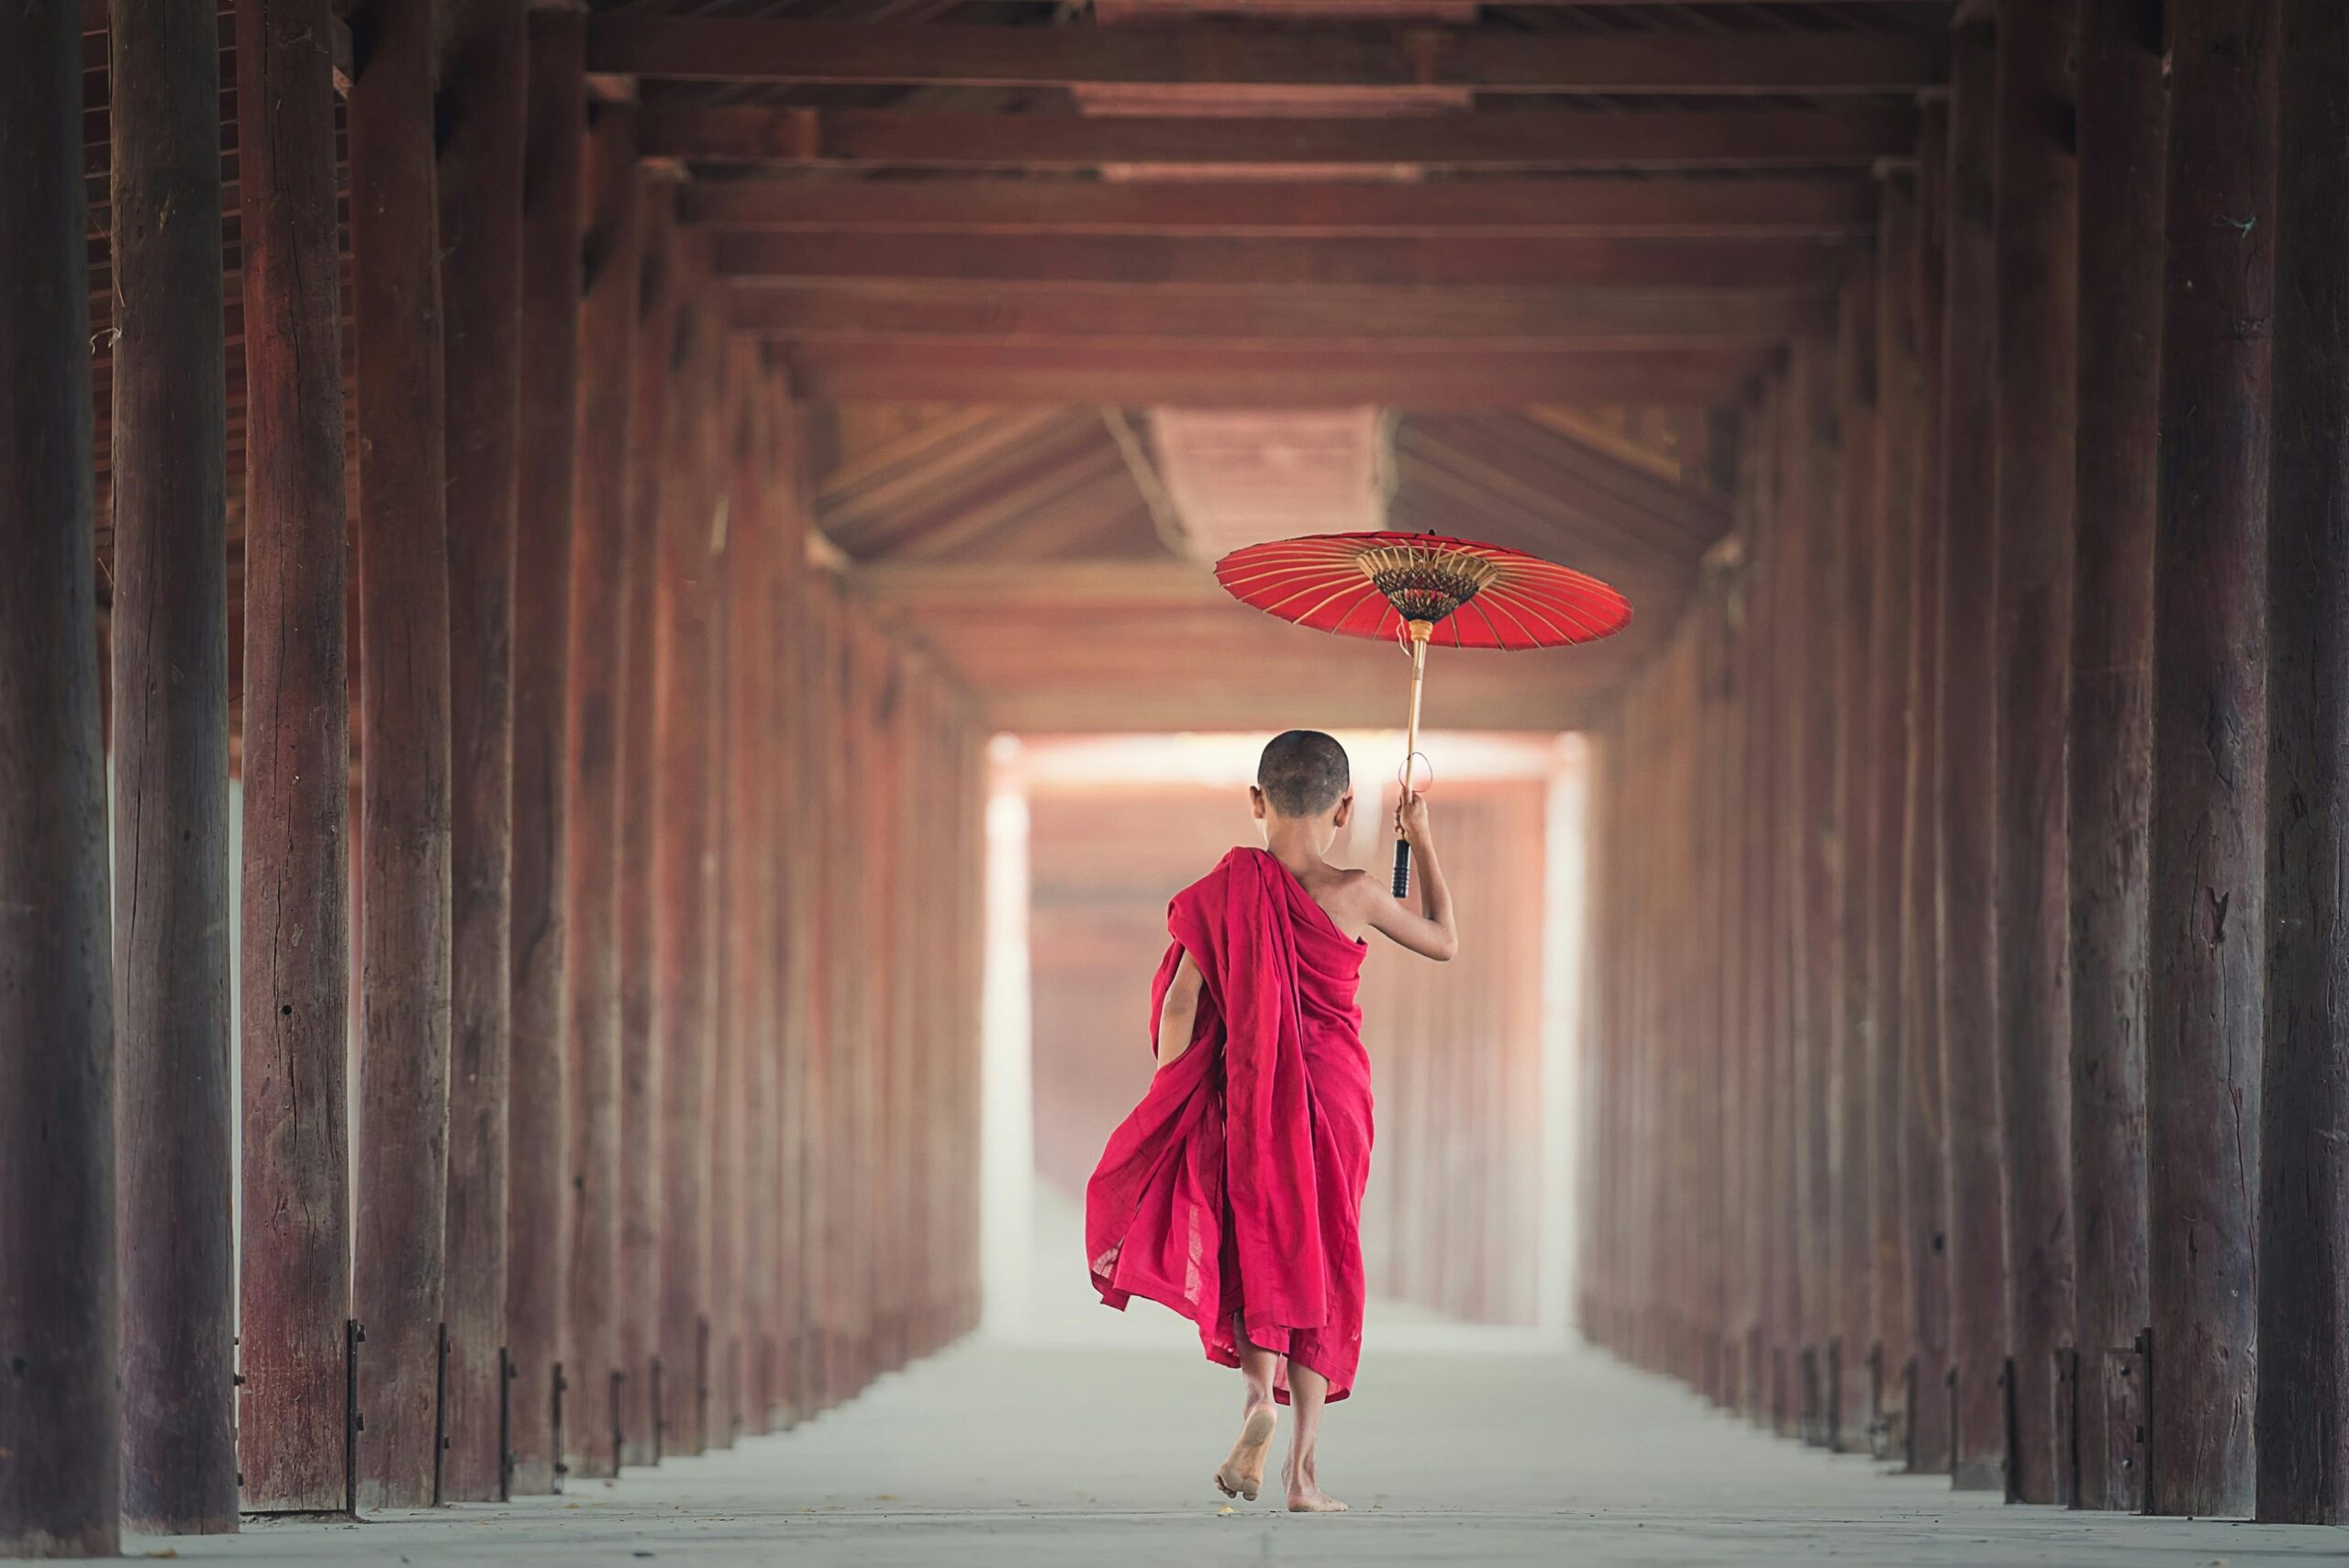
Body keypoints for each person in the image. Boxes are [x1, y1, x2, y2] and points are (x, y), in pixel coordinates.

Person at [1085, 729, 1458, 1513]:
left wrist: (1172, 1092)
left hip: (1250, 1092)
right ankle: (1303, 1474)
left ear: (1257, 802)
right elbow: (1443, 940)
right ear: (1346, 805)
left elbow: (1184, 1000)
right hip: (1336, 1096)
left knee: (1260, 1241)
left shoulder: (1226, 887)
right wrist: (1420, 839)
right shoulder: (1357, 890)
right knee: (1322, 1254)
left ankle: (1257, 1398)